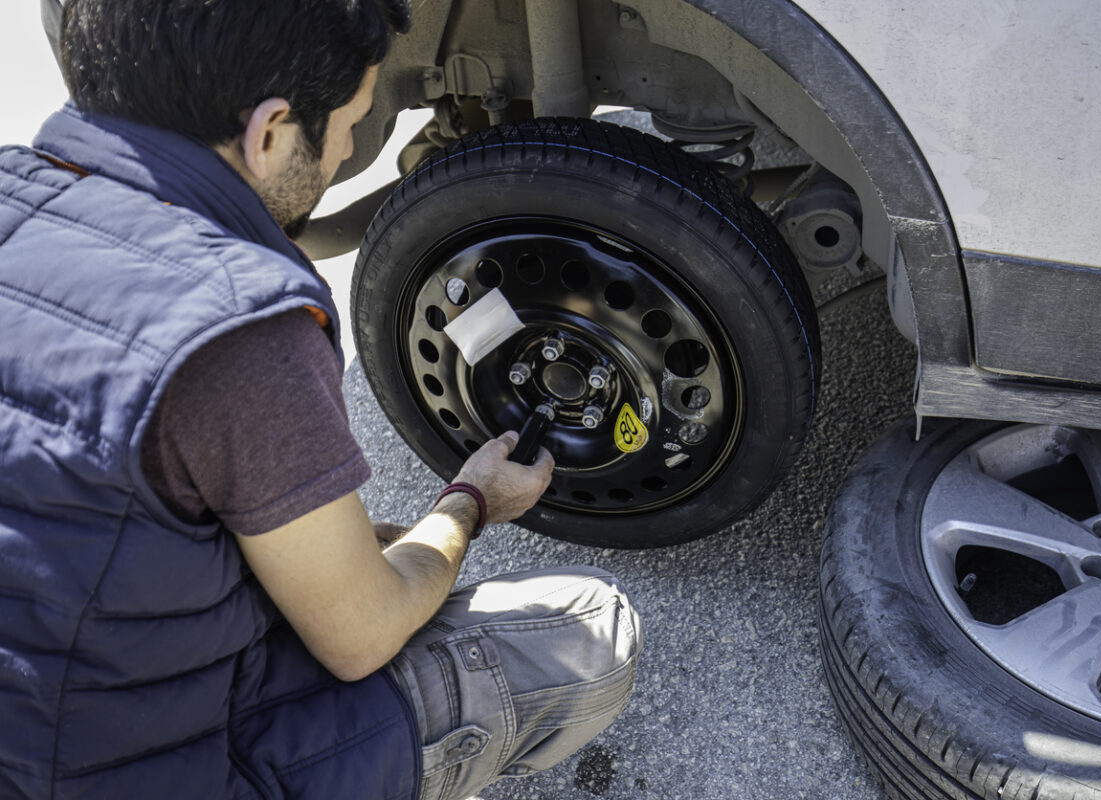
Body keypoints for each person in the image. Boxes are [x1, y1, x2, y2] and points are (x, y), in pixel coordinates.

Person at [0, 1, 641, 799]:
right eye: (351, 123)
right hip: (158, 774)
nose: (347, 150)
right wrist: (469, 501)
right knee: (588, 633)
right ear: (270, 131)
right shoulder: (237, 329)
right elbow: (360, 636)